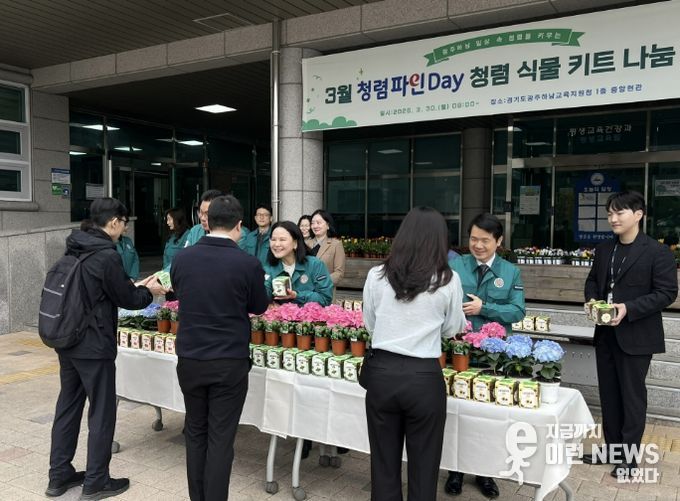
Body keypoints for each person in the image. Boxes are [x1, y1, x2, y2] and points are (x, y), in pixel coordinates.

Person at [47, 198, 166, 500]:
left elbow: (101, 290)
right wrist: (149, 291)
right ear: (114, 222)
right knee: (101, 411)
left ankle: (58, 476)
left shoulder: (75, 247)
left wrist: (132, 286)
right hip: (94, 345)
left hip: (68, 340)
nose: (125, 229)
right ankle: (96, 481)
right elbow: (129, 299)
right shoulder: (106, 255)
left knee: (68, 406)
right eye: (124, 223)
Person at [361, 206, 467, 501]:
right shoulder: (447, 279)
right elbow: (452, 328)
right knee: (424, 465)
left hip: (382, 373)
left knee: (383, 463)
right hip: (423, 377)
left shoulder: (376, 275)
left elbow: (370, 323)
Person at [170, 195, 269, 501]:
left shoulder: (183, 259)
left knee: (195, 432)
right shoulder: (247, 263)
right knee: (221, 438)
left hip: (190, 358)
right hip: (229, 361)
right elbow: (259, 305)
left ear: (207, 222)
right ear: (239, 225)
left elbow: (179, 291)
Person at [583, 191, 677, 478]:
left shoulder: (657, 252)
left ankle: (629, 459)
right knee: (609, 396)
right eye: (610, 213)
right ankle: (612, 451)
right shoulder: (604, 250)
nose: (613, 218)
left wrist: (629, 308)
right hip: (605, 335)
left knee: (632, 398)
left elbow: (667, 293)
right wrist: (591, 300)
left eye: (619, 212)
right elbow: (592, 281)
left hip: (637, 336)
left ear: (638, 215)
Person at [445, 213, 525, 499]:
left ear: (498, 241)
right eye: (473, 239)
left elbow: (517, 311)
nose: (478, 245)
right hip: (459, 352)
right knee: (457, 413)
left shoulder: (510, 272)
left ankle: (485, 473)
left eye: (485, 240)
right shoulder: (456, 266)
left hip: (492, 357)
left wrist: (486, 308)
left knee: (489, 415)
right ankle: (455, 470)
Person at [264, 221, 334, 306]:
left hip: (310, 314)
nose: (276, 244)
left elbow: (325, 298)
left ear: (295, 243)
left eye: (282, 239)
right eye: (273, 239)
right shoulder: (268, 268)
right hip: (280, 315)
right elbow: (262, 295)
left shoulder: (315, 265)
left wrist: (297, 295)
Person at [307, 209, 346, 286]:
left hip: (325, 289)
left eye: (318, 223)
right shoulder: (306, 243)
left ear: (328, 225)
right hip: (306, 290)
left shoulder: (336, 244)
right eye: (312, 223)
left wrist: (320, 282)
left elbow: (339, 273)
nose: (315, 226)